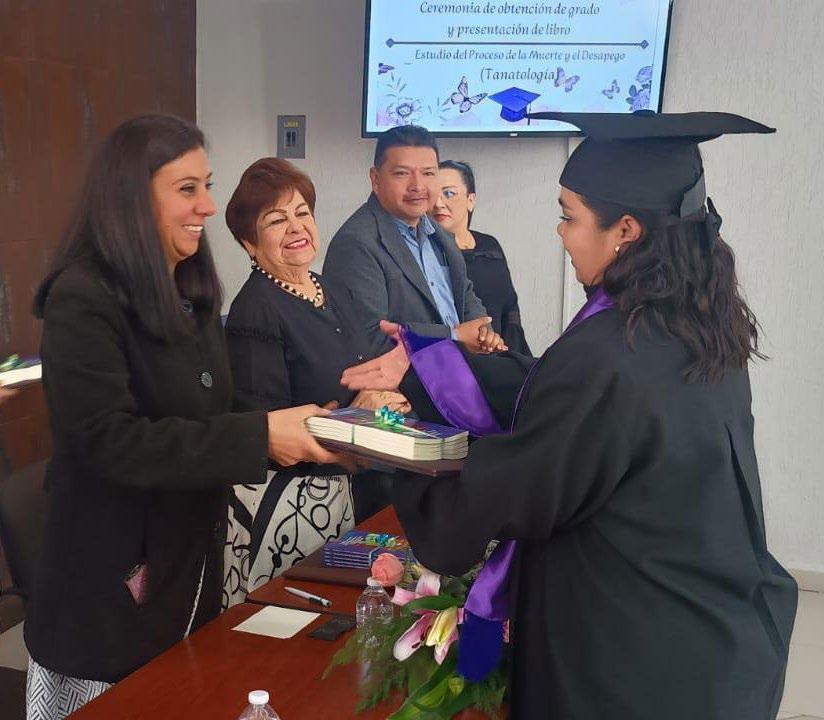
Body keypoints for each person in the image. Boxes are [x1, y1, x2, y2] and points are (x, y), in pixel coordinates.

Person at [341, 112, 798, 719]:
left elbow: (502, 495)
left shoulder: (609, 354)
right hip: (711, 630)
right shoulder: (696, 325)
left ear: (625, 230)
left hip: (626, 661)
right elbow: (552, 394)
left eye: (569, 215)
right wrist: (426, 365)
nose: (560, 233)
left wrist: (399, 446)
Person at [24, 115, 342, 720]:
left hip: (189, 575)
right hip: (111, 597)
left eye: (208, 185)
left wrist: (304, 428)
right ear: (132, 195)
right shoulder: (82, 297)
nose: (208, 206)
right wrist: (260, 435)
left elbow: (210, 409)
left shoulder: (187, 287)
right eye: (188, 188)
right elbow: (109, 442)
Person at [221, 157, 407, 606]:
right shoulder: (255, 309)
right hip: (296, 511)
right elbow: (269, 434)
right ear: (249, 243)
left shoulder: (330, 288)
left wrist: (387, 398)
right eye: (276, 220)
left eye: (302, 212)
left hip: (353, 490)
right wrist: (357, 417)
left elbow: (365, 372)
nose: (296, 227)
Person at [323, 125, 505, 356]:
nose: (417, 186)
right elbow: (369, 337)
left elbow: (465, 293)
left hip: (462, 364)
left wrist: (482, 331)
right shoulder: (356, 244)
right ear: (376, 179)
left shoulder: (435, 231)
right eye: (402, 173)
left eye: (428, 173)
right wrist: (454, 336)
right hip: (414, 374)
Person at [433, 160, 532, 356]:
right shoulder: (427, 253)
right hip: (455, 357)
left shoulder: (489, 245)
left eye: (449, 194)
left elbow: (510, 308)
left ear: (470, 200)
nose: (438, 204)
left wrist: (515, 356)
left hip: (502, 353)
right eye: (433, 195)